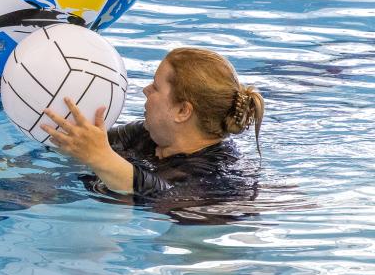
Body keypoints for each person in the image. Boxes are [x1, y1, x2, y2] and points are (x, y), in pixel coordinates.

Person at [42, 47, 264, 198]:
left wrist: (100, 157)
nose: (145, 90)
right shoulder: (146, 135)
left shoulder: (217, 176)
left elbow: (164, 194)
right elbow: (80, 144)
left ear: (182, 111)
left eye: (156, 87)